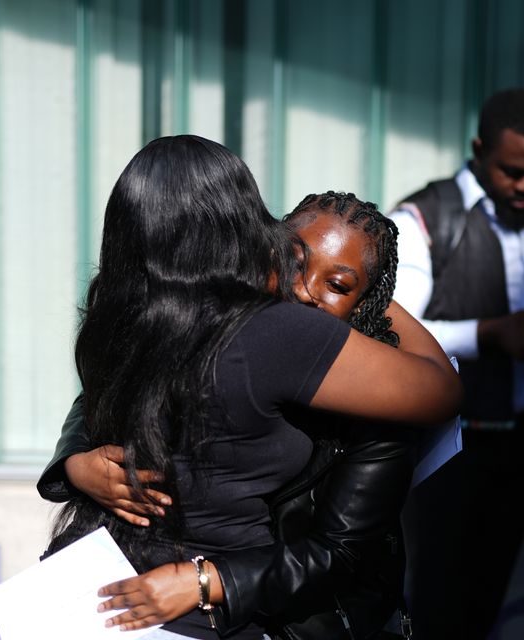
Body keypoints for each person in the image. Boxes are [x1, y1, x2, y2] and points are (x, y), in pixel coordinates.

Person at [45, 136, 463, 640]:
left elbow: (339, 551)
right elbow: (105, 395)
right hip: (126, 593)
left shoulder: (129, 310)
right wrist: (74, 462)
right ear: (251, 231)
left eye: (337, 283)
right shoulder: (233, 326)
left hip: (137, 599)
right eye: (294, 259)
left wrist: (205, 581)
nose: (304, 290)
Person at [389, 88, 524, 638]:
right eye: (513, 172)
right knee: (439, 602)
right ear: (478, 148)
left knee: (486, 600)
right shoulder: (424, 220)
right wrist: (487, 335)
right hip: (449, 453)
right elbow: (391, 336)